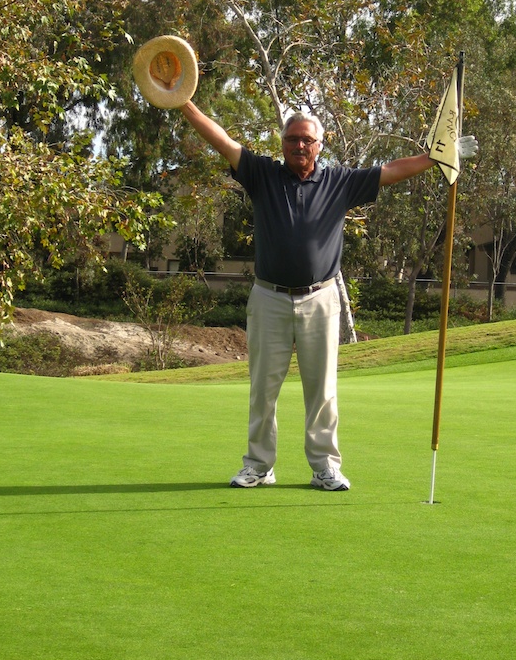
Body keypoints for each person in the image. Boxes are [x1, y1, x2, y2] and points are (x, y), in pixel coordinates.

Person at [180, 97, 446, 491]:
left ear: (321, 144)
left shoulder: (339, 181)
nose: (299, 146)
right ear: (282, 142)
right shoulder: (262, 175)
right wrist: (184, 102)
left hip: (320, 299)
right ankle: (258, 465)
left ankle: (325, 466)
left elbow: (389, 170)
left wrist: (436, 158)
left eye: (307, 140)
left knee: (321, 390)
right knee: (262, 390)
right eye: (292, 139)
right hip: (269, 297)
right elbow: (223, 141)